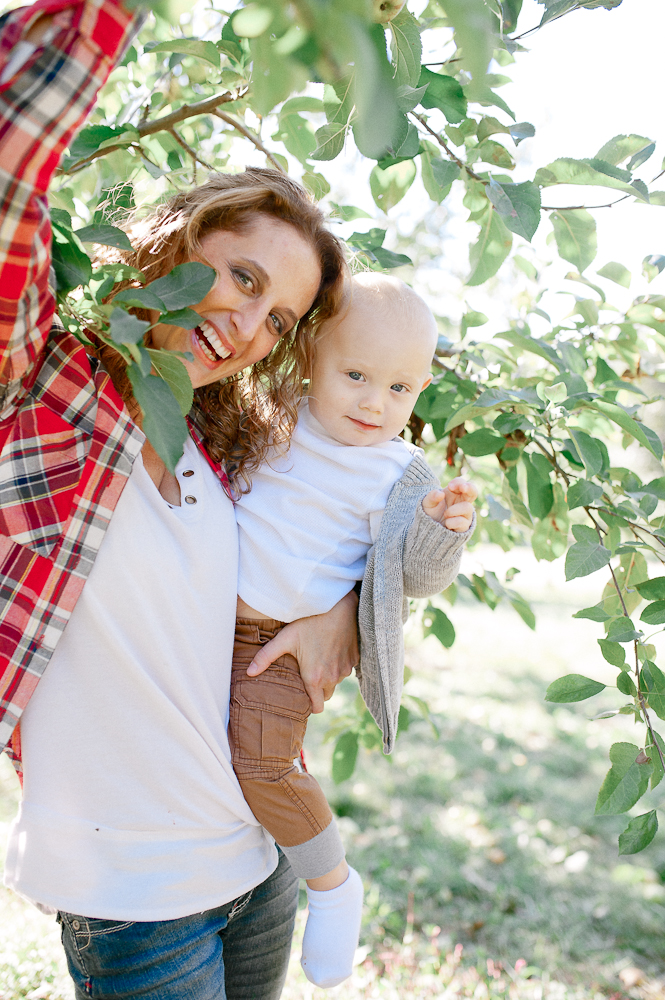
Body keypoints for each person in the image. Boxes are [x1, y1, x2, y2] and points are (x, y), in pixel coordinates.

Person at [0, 3, 356, 998]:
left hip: (254, 857)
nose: (246, 325)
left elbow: (344, 528)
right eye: (239, 276)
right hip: (130, 897)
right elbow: (9, 185)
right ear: (178, 239)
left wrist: (340, 621)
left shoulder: (219, 448)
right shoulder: (44, 389)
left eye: (276, 316)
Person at [232, 273, 477, 988]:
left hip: (281, 647)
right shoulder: (274, 413)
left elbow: (414, 577)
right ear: (310, 354)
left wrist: (441, 530)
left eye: (400, 389)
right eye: (357, 375)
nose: (375, 403)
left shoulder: (399, 472)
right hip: (203, 619)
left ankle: (333, 884)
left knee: (262, 762)